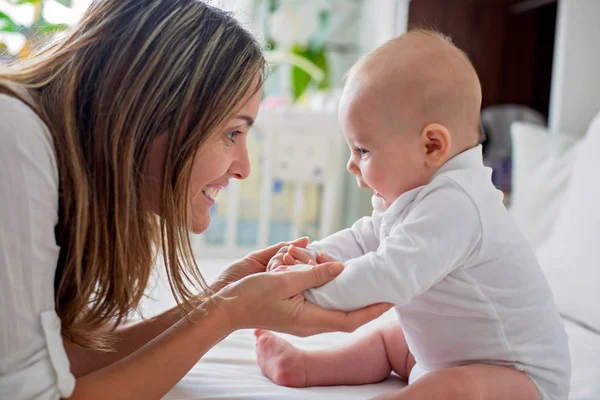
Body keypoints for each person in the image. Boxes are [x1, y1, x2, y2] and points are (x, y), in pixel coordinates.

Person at [0, 1, 392, 399]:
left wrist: (219, 296)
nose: (243, 168)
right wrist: (229, 311)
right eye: (232, 134)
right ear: (153, 108)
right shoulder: (14, 143)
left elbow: (56, 364)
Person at [255, 30, 571, 400]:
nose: (351, 165)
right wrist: (309, 259)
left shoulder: (459, 206)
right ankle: (307, 367)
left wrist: (311, 288)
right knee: (392, 342)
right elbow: (364, 238)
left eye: (363, 150)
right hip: (445, 354)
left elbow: (390, 274)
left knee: (455, 386)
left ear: (432, 145)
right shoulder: (416, 198)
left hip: (519, 380)